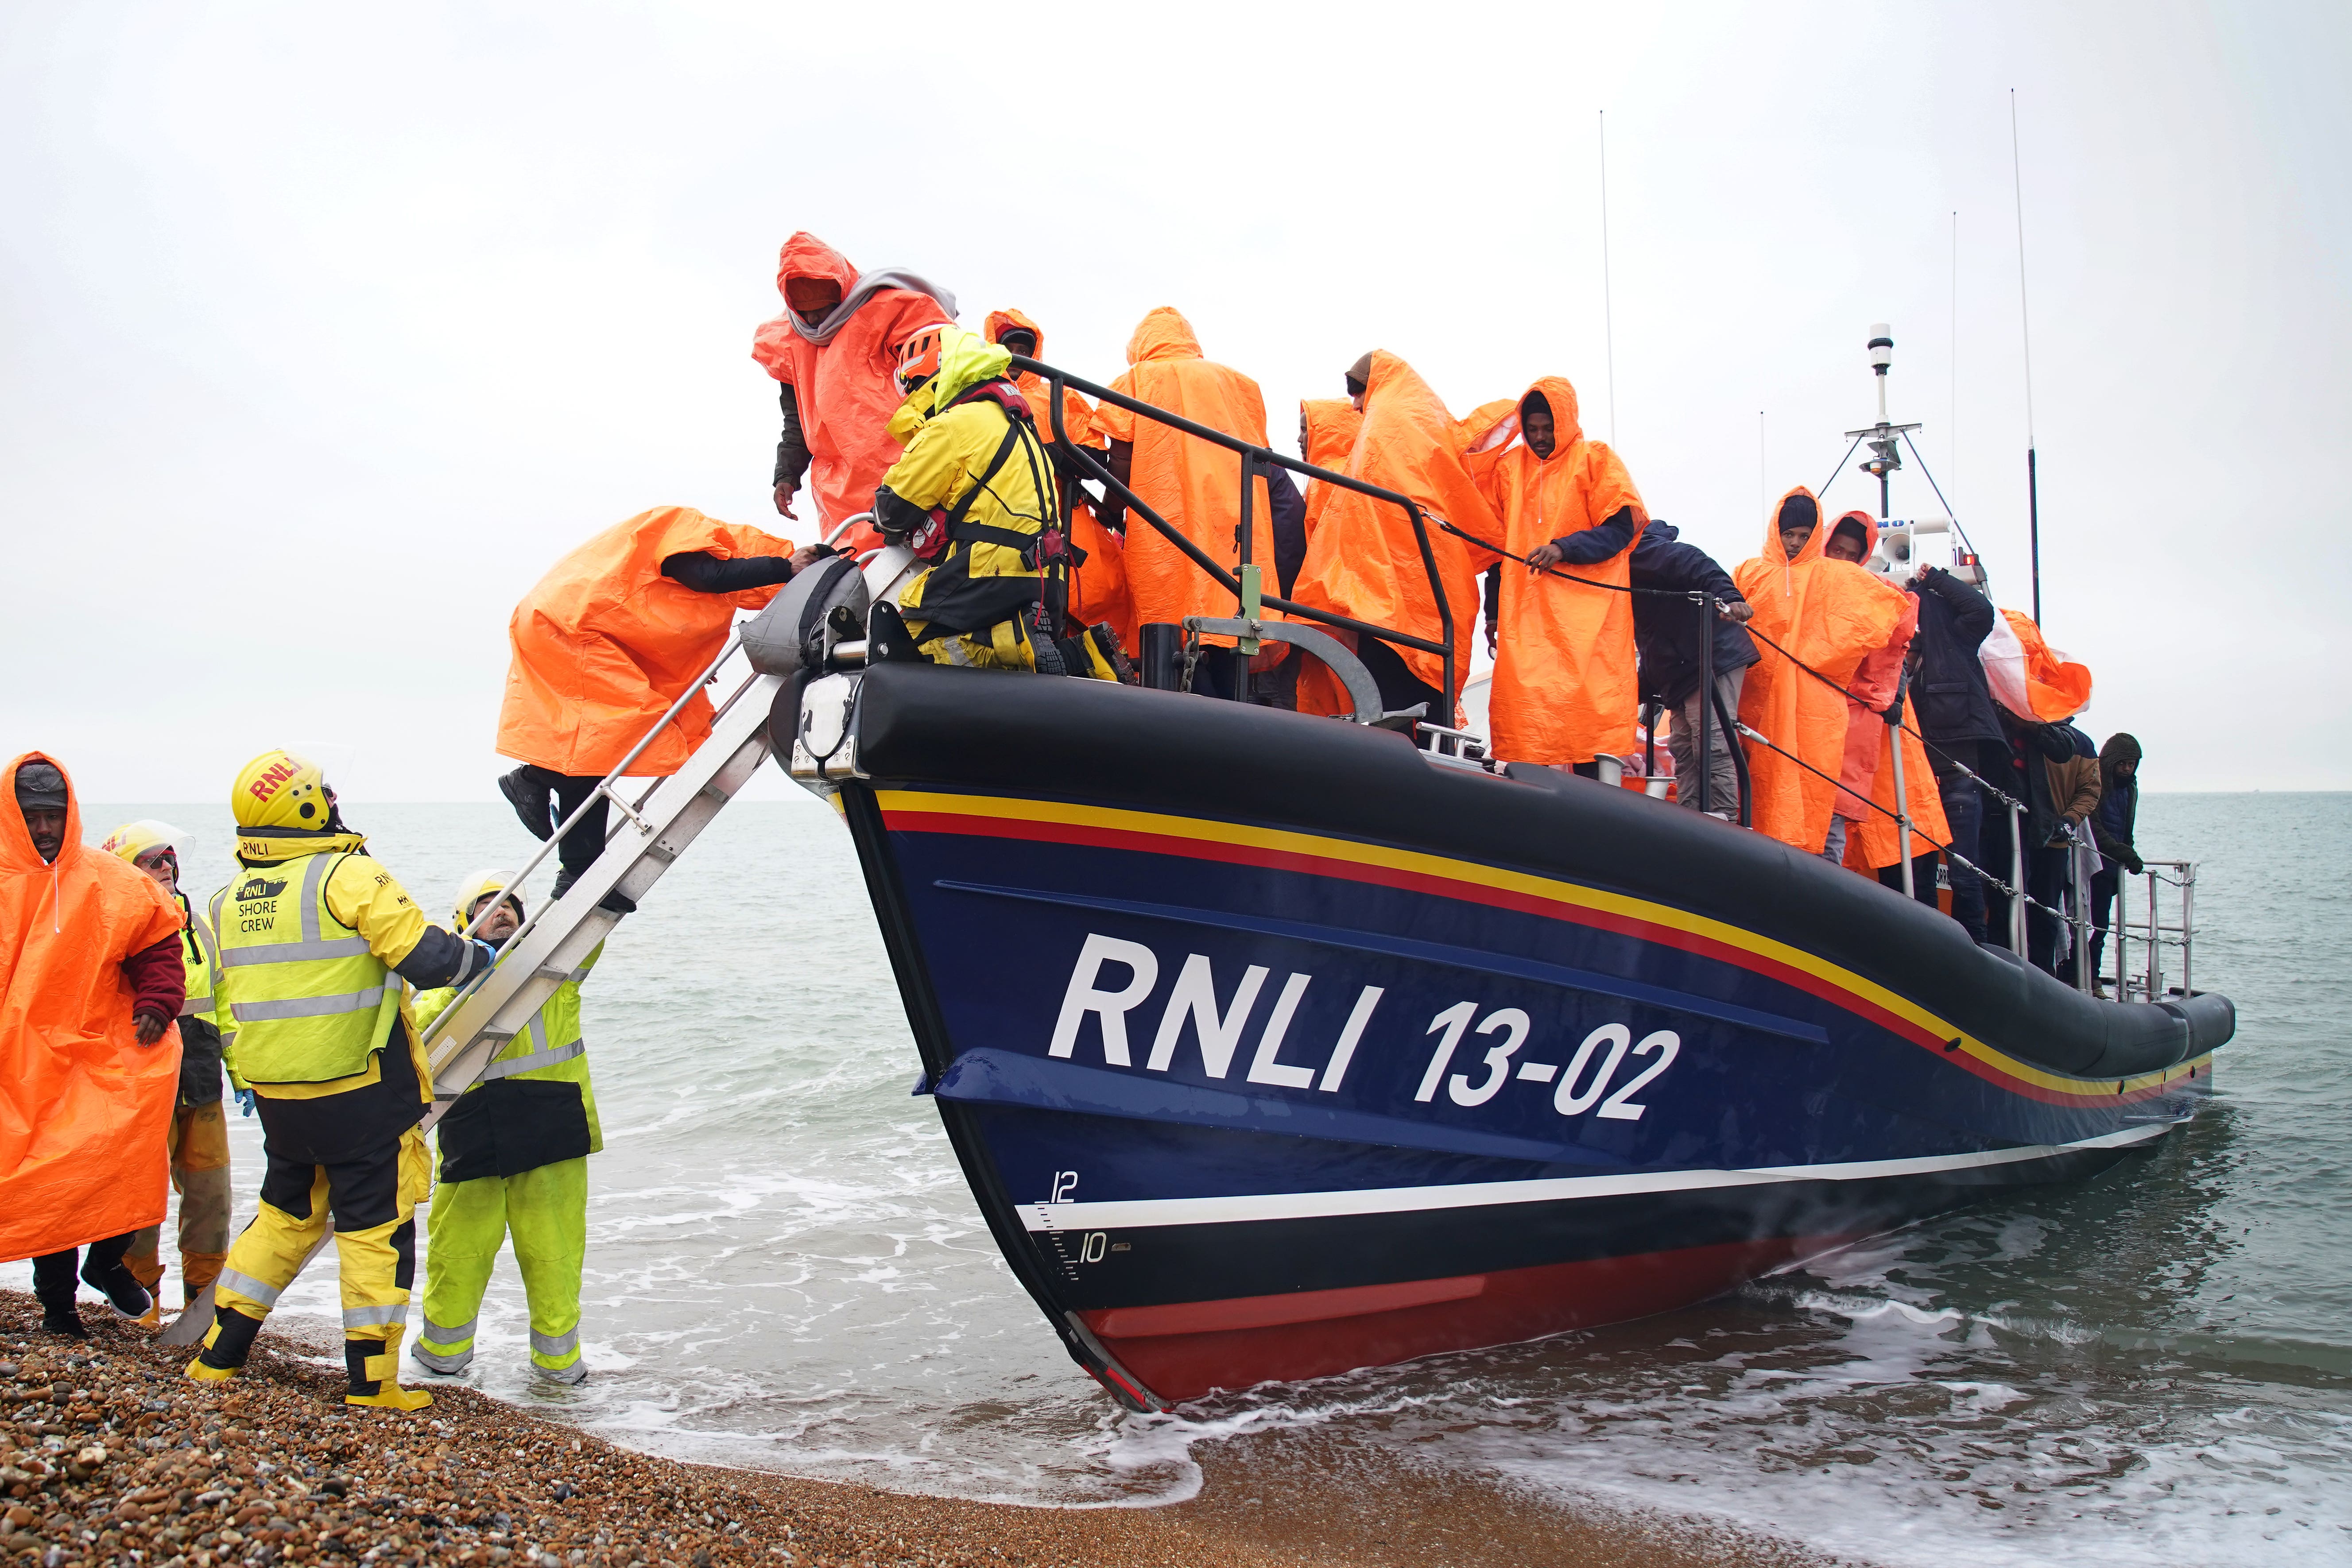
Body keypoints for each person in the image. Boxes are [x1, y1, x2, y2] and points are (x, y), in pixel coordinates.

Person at [187, 750, 501, 1411]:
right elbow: (427, 959)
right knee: (375, 1229)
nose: (332, 802)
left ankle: (220, 1355)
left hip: (280, 1099)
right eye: (322, 794)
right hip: (360, 1093)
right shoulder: (348, 875)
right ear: (305, 806)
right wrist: (480, 954)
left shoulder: (226, 900)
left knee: (283, 1217)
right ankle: (373, 1384)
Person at [496, 507, 818, 905]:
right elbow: (707, 576)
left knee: (590, 753)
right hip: (570, 628)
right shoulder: (689, 526)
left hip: (571, 625)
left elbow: (645, 611)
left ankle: (578, 873)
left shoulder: (683, 555)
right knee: (602, 742)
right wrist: (784, 566)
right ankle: (539, 786)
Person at [2, 757, 183, 1338]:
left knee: (125, 1154)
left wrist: (157, 1003)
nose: (46, 829)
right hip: (18, 1063)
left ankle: (107, 1263)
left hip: (97, 1050)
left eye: (55, 816)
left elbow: (158, 945)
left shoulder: (112, 880)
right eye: (34, 817)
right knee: (41, 1184)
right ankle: (58, 1307)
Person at [411, 872, 603, 1385]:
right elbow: (421, 1031)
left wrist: (580, 877)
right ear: (462, 922)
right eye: (487, 905)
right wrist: (469, 976)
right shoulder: (442, 984)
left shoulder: (557, 965)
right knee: (457, 1250)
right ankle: (441, 1357)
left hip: (550, 1128)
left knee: (555, 1253)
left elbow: (594, 924)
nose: (502, 911)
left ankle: (560, 1367)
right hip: (476, 1131)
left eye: (511, 904)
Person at [876, 327, 1118, 678]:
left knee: (909, 640)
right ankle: (1083, 656)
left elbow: (891, 510)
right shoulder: (1020, 425)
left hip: (992, 569)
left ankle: (1018, 643)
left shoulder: (952, 425)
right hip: (1047, 575)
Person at [1089, 308, 1282, 699]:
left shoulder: (1137, 379)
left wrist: (1109, 508)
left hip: (1168, 529)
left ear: (1141, 345)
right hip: (1237, 530)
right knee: (1230, 630)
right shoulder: (1241, 385)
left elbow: (1121, 459)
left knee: (1173, 637)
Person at [1294, 352, 1497, 721]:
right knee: (1425, 700)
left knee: (1390, 700)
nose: (1356, 406)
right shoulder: (1426, 418)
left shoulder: (1382, 425)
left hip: (1388, 595)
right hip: (1431, 587)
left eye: (1359, 396)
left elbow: (1361, 519)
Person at [1456, 377, 1646, 769]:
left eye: (1548, 427)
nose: (1540, 437)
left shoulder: (1595, 459)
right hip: (1525, 618)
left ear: (1565, 422)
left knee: (1588, 722)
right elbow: (1496, 548)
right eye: (1533, 429)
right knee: (1527, 720)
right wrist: (1492, 614)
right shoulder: (1508, 471)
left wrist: (1563, 548)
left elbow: (1621, 528)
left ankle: (1595, 809)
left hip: (1588, 622)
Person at [102, 821, 234, 1324]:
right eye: (152, 860)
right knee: (138, 1199)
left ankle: (204, 1310)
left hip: (200, 1077)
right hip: (137, 1082)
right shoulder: (113, 928)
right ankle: (137, 1309)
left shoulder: (198, 925)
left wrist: (242, 1076)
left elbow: (224, 1004)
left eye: (169, 859)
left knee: (210, 1197)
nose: (165, 868)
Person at [750, 232, 955, 553]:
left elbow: (936, 374)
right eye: (807, 312)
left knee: (927, 560)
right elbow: (797, 419)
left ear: (841, 289)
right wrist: (786, 473)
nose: (816, 319)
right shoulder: (787, 342)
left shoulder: (891, 309)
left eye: (823, 308)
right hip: (838, 488)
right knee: (860, 574)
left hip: (906, 464)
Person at [1734, 490, 1912, 853]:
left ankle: (1817, 891)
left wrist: (1883, 692)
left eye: (1804, 535)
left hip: (1813, 715)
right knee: (1757, 794)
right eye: (1789, 534)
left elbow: (1898, 617)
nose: (1796, 543)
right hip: (1752, 707)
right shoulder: (1749, 571)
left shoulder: (1836, 577)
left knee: (1816, 800)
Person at [984, 308, 1137, 653]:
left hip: (1067, 518)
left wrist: (1048, 453)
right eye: (1009, 349)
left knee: (1102, 595)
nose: (1017, 358)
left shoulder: (1060, 396)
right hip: (1003, 521)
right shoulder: (979, 398)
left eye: (1025, 350)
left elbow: (1095, 458)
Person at [1815, 514, 1949, 900]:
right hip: (1836, 739)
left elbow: (1892, 655)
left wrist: (1892, 696)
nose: (1841, 559)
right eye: (1835, 549)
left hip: (1876, 743)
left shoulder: (1879, 599)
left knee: (1901, 847)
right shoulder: (1804, 595)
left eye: (1850, 554)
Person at [1622, 522, 1757, 816]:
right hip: (1682, 668)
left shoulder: (1645, 551)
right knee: (1683, 748)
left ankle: (1725, 821)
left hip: (1712, 658)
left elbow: (1699, 565)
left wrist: (1731, 598)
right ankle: (1691, 819)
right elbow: (1652, 640)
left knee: (1711, 742)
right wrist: (1632, 691)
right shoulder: (1629, 567)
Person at [1905, 559, 2003, 941]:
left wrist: (1935, 581)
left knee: (1964, 869)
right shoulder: (1890, 658)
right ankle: (1927, 947)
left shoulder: (1955, 641)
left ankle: (1975, 946)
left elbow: (1981, 611)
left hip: (1958, 771)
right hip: (1915, 777)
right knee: (1919, 870)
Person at [2089, 732, 2143, 991]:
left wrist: (2127, 853)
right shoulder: (2097, 783)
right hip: (2092, 864)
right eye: (2122, 763)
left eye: (2131, 764)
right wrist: (2124, 853)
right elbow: (2095, 828)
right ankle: (2085, 975)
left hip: (2112, 867)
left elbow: (2126, 829)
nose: (2127, 769)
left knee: (2100, 927)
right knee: (2087, 924)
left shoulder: (2131, 789)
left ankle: (2092, 975)